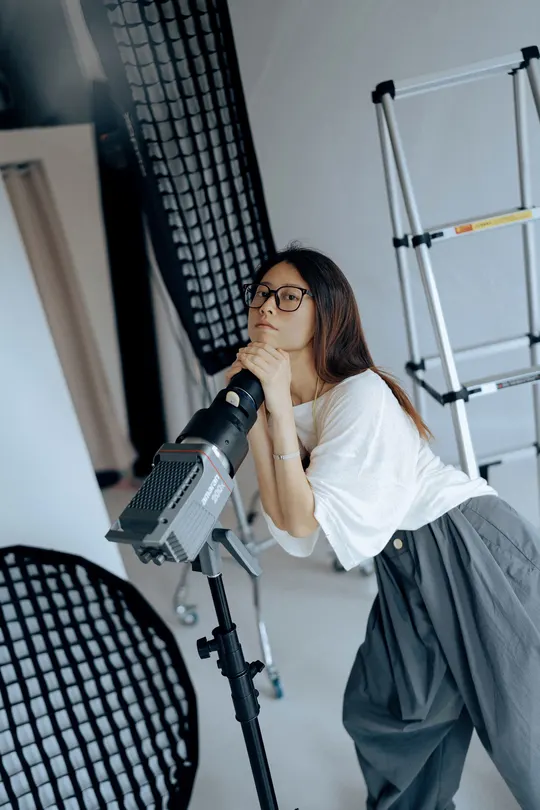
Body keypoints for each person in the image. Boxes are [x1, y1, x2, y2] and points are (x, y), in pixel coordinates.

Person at [225, 244, 540, 810]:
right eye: (262, 294)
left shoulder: (358, 395)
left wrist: (275, 407)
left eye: (289, 296)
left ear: (327, 311)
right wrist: (258, 418)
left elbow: (301, 515)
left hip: (466, 543)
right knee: (392, 712)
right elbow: (292, 526)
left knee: (525, 721)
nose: (267, 306)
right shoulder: (288, 403)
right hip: (405, 559)